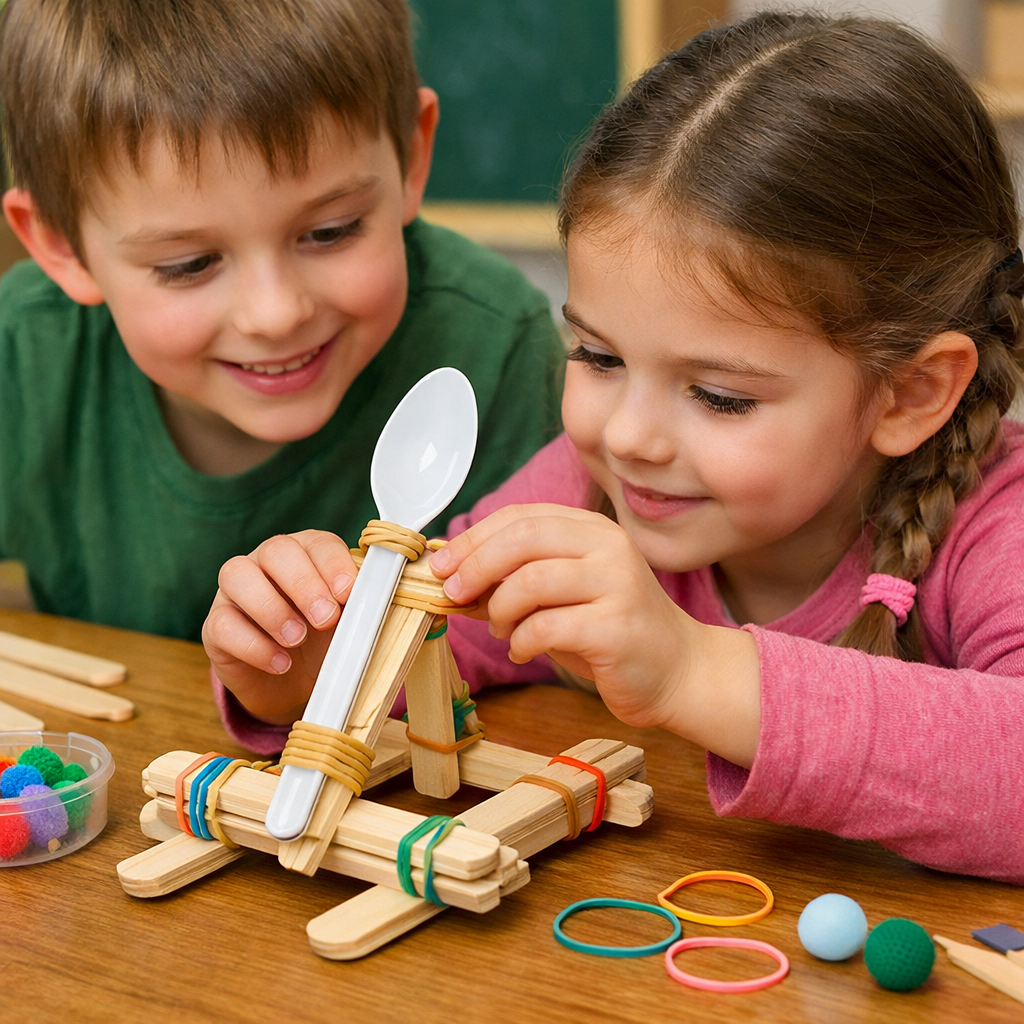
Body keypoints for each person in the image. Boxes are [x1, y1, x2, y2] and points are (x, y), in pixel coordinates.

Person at [203, 12, 1024, 884]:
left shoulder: (992, 525)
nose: (627, 436)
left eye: (719, 395)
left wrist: (692, 670)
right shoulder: (582, 488)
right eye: (597, 356)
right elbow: (431, 661)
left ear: (911, 392)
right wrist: (308, 668)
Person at [0, 0, 563, 641]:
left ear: (410, 155)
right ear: (62, 246)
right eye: (190, 264)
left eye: (330, 232)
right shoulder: (21, 355)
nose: (275, 314)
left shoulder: (494, 348)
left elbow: (543, 658)